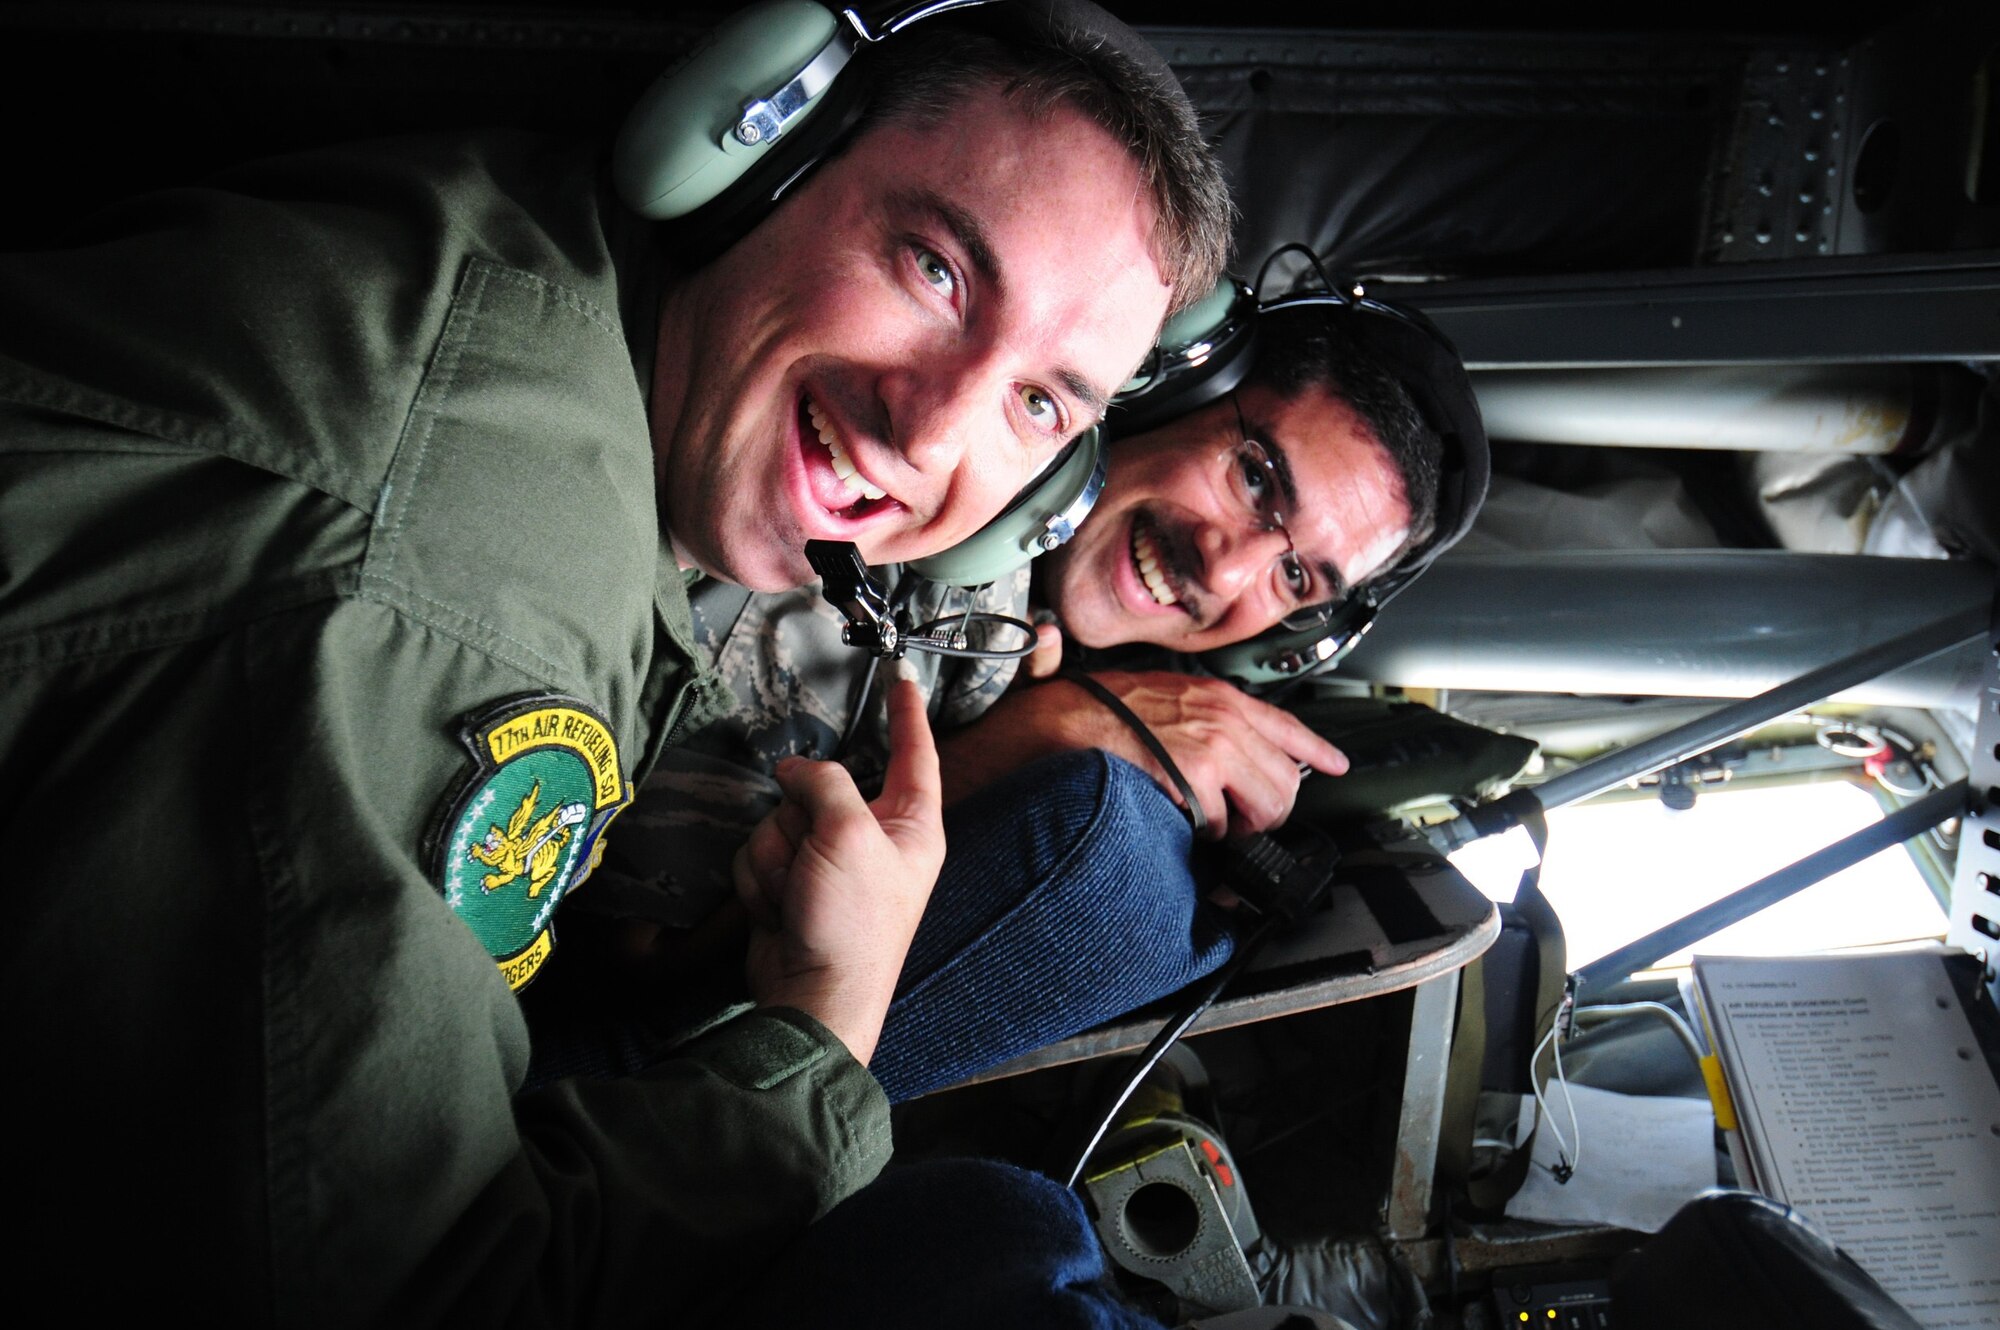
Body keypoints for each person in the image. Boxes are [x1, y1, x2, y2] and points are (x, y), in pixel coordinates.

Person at [0, 2, 1231, 1321]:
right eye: (935, 270)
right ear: (753, 161)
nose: (934, 433)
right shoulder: (469, 571)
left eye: (1037, 402)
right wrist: (825, 1026)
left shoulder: (553, 306)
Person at [565, 296, 1478, 1101]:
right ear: (1168, 388)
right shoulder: (898, 517)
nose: (1226, 567)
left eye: (1294, 577)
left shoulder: (1082, 658)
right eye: (1254, 478)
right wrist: (1050, 734)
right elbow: (634, 974)